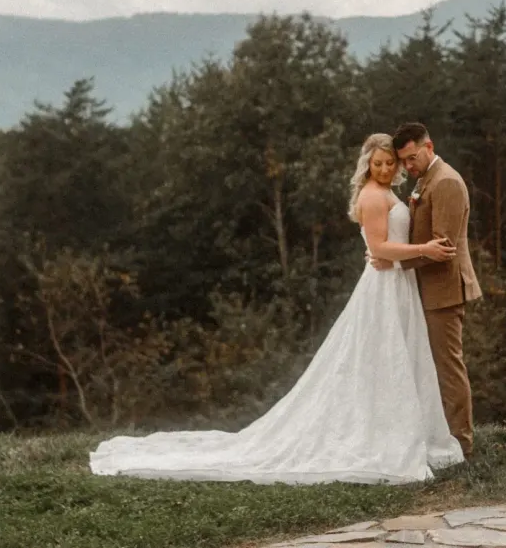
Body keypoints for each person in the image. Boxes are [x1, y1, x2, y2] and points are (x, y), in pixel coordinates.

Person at [88, 133, 464, 484]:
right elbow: (379, 248)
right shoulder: (371, 196)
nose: (383, 169)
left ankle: (397, 428)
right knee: (382, 357)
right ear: (367, 164)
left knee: (396, 358)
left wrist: (405, 254)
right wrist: (422, 250)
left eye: (389, 163)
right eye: (377, 163)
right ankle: (381, 436)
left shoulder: (388, 192)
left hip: (397, 283)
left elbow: (387, 245)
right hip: (384, 286)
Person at [373, 122, 482, 459]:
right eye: (403, 160)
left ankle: (461, 443)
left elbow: (443, 248)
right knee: (432, 365)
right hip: (426, 287)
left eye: (412, 157)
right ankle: (439, 435)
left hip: (444, 289)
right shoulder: (426, 179)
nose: (408, 166)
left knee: (448, 367)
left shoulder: (446, 181)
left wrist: (396, 260)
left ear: (429, 147)